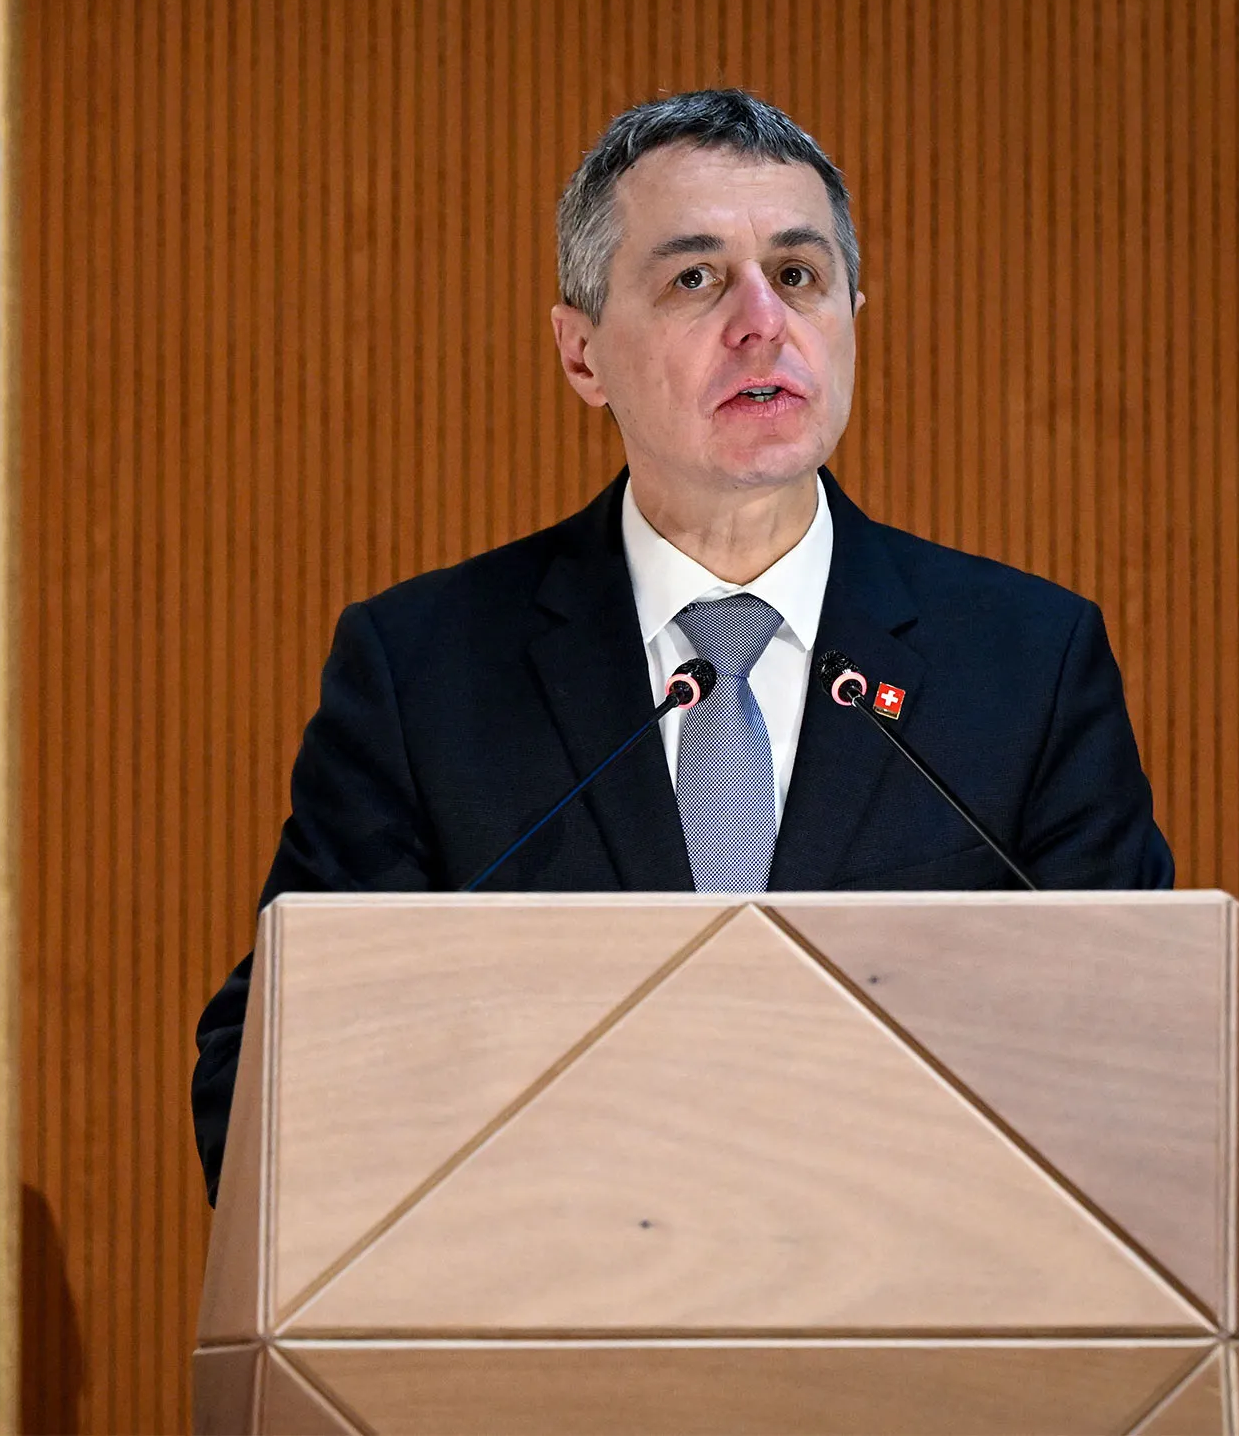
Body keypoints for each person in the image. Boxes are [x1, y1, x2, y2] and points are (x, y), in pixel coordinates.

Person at [191, 88, 1173, 1203]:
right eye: (695, 278)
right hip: (553, 1336)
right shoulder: (424, 673)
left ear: (852, 312)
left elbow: (1134, 1062)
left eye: (798, 275)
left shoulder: (1026, 663)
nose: (763, 321)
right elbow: (264, 1073)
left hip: (914, 1340)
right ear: (580, 354)